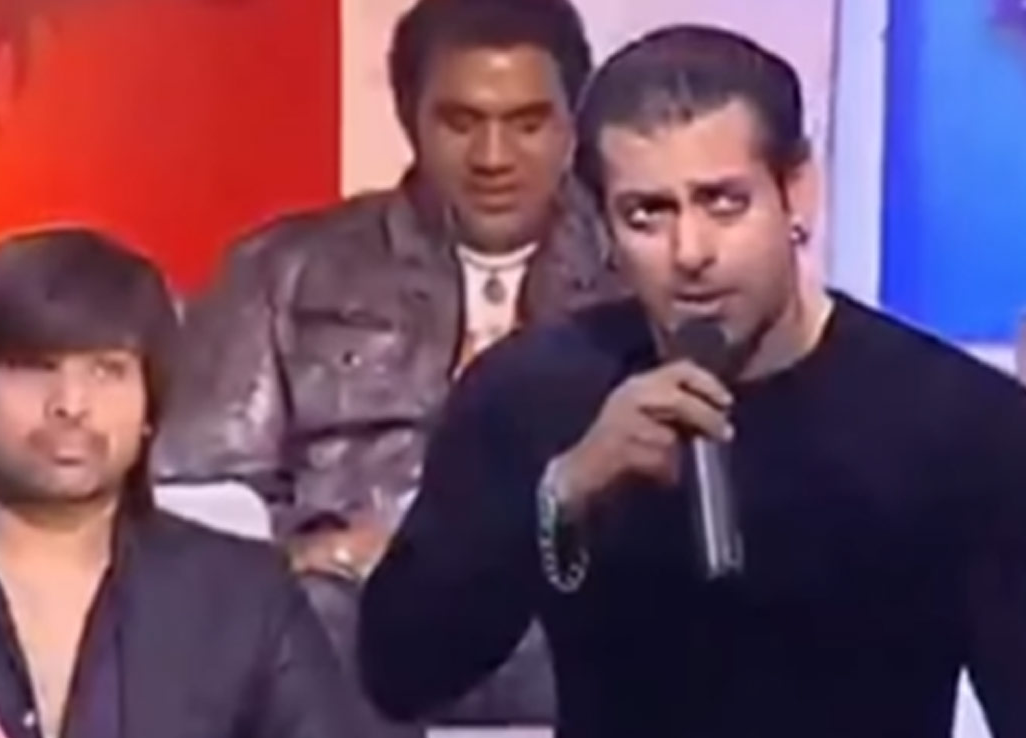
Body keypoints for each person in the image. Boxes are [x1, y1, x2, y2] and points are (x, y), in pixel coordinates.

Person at [358, 25, 1026, 737]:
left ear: (797, 193)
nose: (690, 252)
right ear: (605, 228)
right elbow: (401, 673)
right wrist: (560, 499)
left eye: (723, 202)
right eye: (648, 213)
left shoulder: (960, 423)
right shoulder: (531, 395)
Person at [155, 0, 625, 731]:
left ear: (575, 123)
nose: (493, 157)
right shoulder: (285, 268)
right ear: (409, 116)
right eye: (460, 122)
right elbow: (198, 494)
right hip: (346, 616)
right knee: (304, 623)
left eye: (528, 124)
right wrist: (324, 553)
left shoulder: (636, 277)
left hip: (558, 617)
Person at [0, 228, 363, 738]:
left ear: (151, 403)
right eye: (32, 367)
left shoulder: (244, 593)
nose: (71, 404)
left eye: (108, 370)